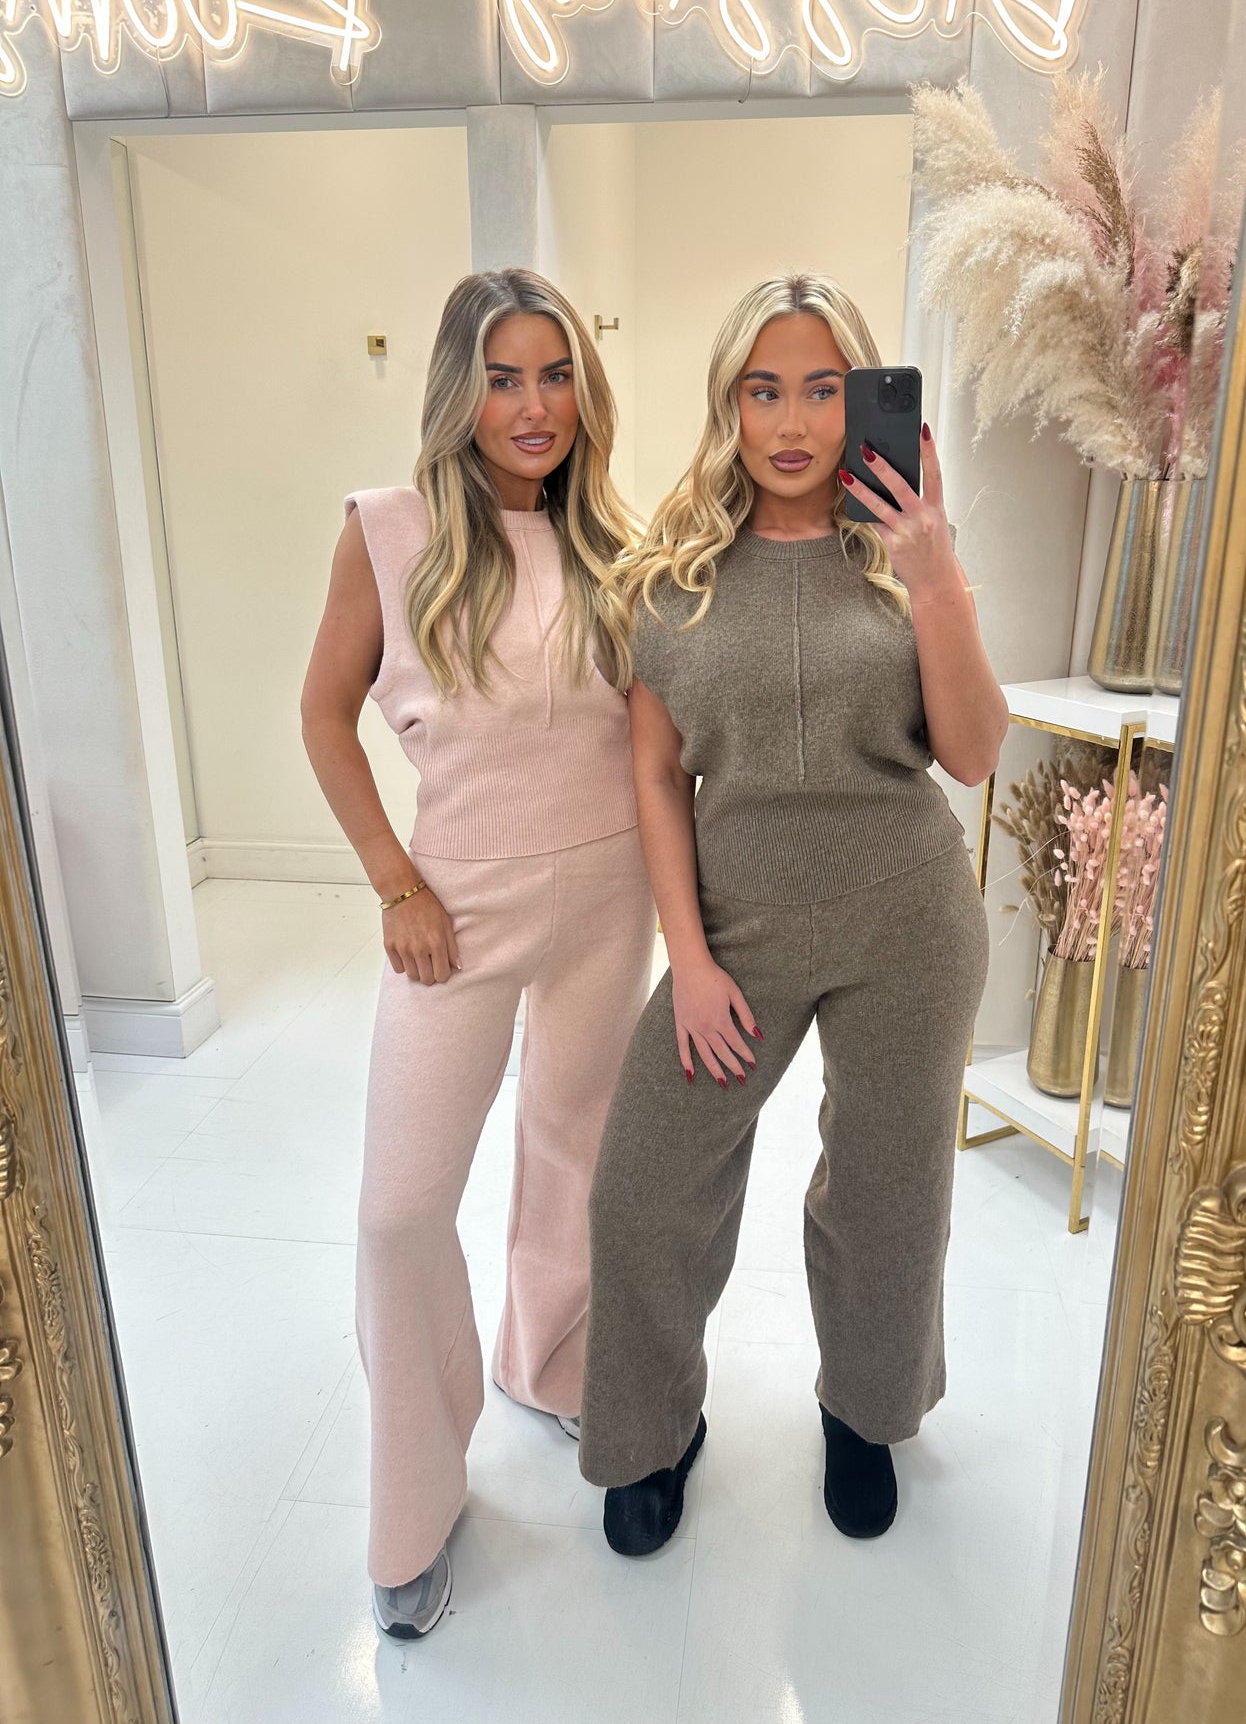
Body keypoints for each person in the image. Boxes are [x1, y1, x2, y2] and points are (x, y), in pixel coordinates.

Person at [579, 272, 1007, 1553]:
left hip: (906, 920)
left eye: (824, 390)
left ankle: (862, 1413)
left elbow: (974, 754)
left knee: (889, 1191)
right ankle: (650, 1433)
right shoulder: (670, 583)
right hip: (739, 929)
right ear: (729, 405)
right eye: (763, 391)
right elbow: (655, 774)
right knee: (645, 1188)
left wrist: (937, 575)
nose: (793, 422)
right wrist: (689, 956)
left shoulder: (910, 560)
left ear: (862, 400)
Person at [301, 268, 655, 1636]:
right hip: (453, 915)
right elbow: (324, 716)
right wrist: (393, 881)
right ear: (459, 391)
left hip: (608, 899)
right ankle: (414, 1502)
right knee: (400, 1211)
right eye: (503, 378)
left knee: (576, 1153)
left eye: (555, 374)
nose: (532, 405)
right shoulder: (388, 531)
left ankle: (549, 1365)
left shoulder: (615, 542)